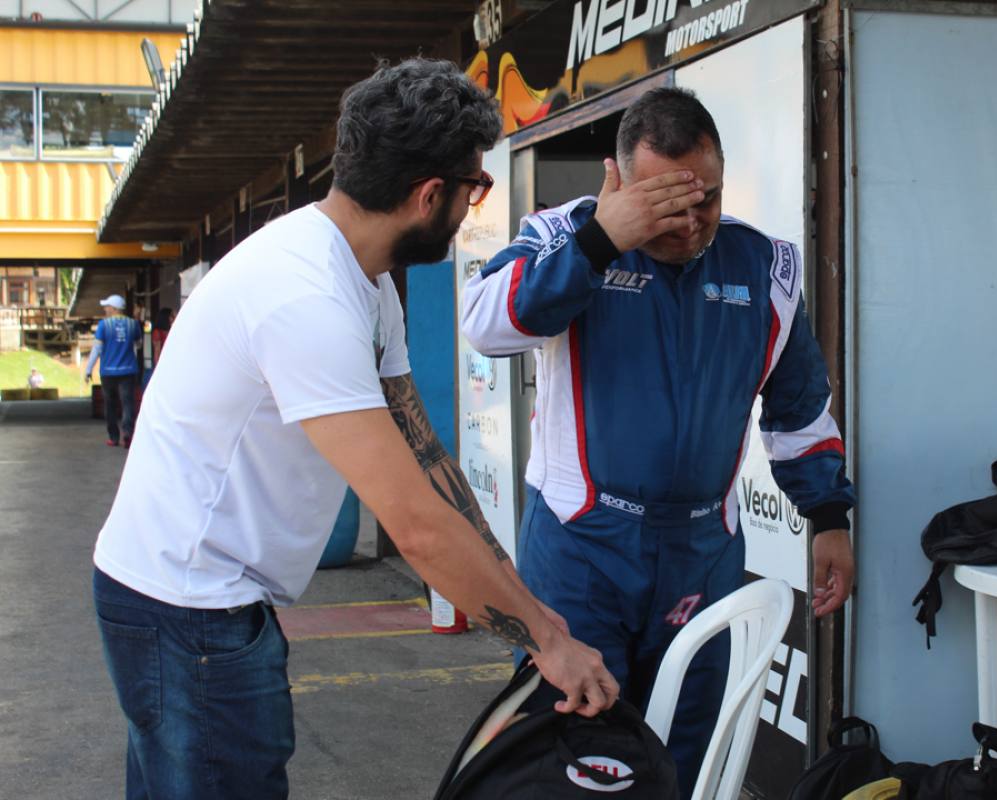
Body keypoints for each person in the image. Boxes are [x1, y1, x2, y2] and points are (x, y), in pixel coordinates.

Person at [92, 59, 616, 800]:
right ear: (430, 194)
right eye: (475, 187)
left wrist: (525, 601)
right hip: (186, 611)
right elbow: (415, 525)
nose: (474, 205)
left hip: (204, 601)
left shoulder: (365, 280)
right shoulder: (304, 296)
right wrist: (546, 642)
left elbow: (426, 456)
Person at [461, 86, 857, 795]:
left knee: (687, 753)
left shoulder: (764, 267)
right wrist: (601, 238)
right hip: (582, 545)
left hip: (701, 552)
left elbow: (798, 410)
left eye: (705, 197)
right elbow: (487, 323)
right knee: (574, 753)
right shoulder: (565, 234)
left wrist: (828, 518)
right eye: (664, 201)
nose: (689, 219)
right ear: (616, 182)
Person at [85, 294, 142, 447]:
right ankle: (128, 433)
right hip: (128, 370)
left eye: (107, 306)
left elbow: (97, 349)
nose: (105, 309)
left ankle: (114, 437)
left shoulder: (104, 325)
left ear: (114, 308)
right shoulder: (133, 324)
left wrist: (88, 369)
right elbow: (139, 344)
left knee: (110, 405)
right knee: (128, 403)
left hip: (108, 372)